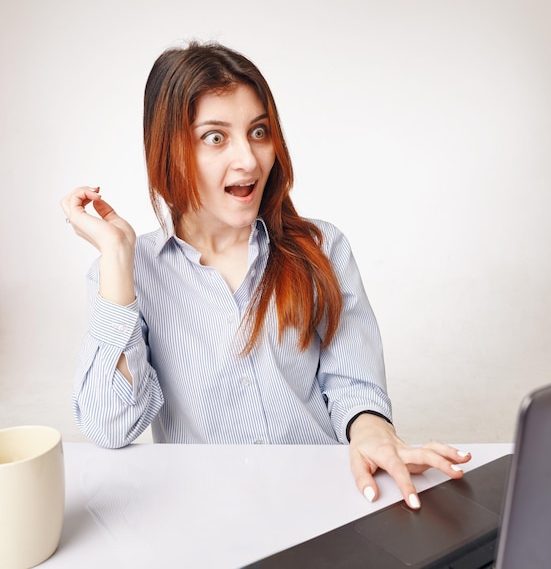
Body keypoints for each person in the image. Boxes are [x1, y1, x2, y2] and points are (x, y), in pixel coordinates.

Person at [61, 41, 470, 509]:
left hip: (328, 504)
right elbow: (110, 426)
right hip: (206, 516)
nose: (250, 160)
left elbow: (352, 382)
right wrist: (117, 257)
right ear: (168, 150)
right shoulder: (128, 276)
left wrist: (374, 433)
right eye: (215, 137)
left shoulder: (321, 248)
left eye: (259, 131)